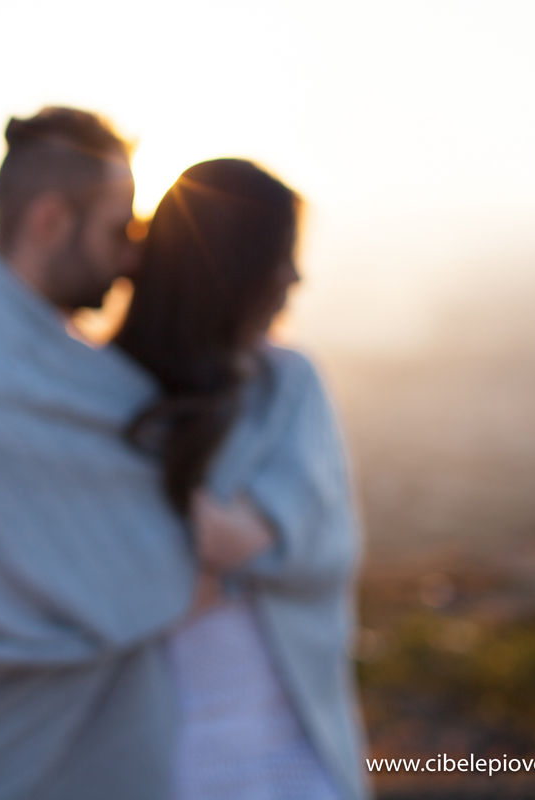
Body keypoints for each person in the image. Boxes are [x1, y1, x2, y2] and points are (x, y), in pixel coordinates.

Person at [0, 107, 368, 800]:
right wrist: (200, 563)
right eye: (120, 230)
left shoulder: (77, 378)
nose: (133, 259)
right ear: (51, 222)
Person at [114, 158, 367, 800]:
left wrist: (191, 552)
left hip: (295, 749)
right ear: (226, 266)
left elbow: (267, 540)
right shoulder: (100, 396)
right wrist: (213, 553)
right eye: (280, 254)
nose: (295, 276)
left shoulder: (290, 386)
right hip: (160, 765)